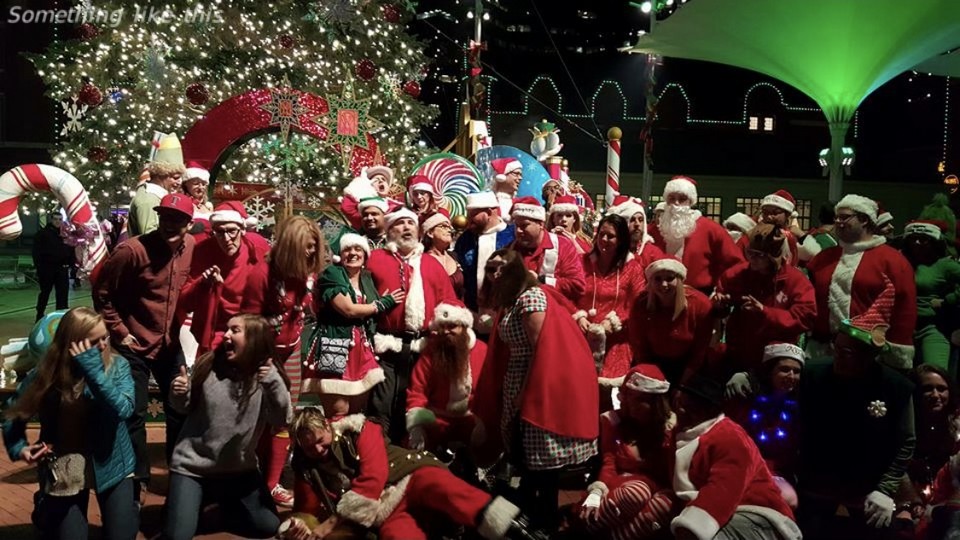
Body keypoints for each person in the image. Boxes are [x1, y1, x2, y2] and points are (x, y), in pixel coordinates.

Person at [473, 248, 598, 531]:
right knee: (527, 459)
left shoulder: (530, 297)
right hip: (517, 378)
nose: (495, 274)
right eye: (491, 269)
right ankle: (531, 517)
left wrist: (524, 393)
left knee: (541, 462)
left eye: (501, 268)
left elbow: (543, 348)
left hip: (537, 382)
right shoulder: (511, 300)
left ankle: (544, 521)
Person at [283, 408, 546, 540]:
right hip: (384, 512)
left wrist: (331, 523)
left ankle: (516, 528)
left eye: (321, 440)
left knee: (442, 485)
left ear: (329, 427)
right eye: (309, 447)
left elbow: (373, 477)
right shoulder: (307, 469)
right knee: (397, 535)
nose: (317, 449)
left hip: (411, 477)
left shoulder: (358, 429)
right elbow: (306, 509)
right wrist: (301, 527)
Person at [2, 307, 138, 540]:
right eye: (94, 341)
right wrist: (19, 447)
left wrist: (94, 371)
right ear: (72, 344)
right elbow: (14, 412)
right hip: (66, 463)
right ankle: (46, 506)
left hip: (112, 461)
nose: (103, 345)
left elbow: (124, 409)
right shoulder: (46, 373)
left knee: (122, 534)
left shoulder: (117, 366)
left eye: (104, 337)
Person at [94, 193, 195, 502]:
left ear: (189, 224)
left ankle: (180, 477)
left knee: (179, 407)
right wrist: (120, 331)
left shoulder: (191, 248)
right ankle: (138, 481)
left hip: (169, 343)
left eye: (177, 219)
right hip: (133, 343)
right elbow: (102, 293)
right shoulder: (131, 251)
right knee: (133, 413)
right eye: (165, 216)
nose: (169, 224)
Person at [798, 280, 916, 539]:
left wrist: (886, 488)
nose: (838, 357)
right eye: (837, 349)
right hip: (817, 482)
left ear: (868, 356)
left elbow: (906, 440)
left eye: (848, 353)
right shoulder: (813, 374)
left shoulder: (895, 387)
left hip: (868, 485)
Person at [163, 314, 292, 540]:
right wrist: (179, 393)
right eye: (227, 329)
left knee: (268, 525)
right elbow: (183, 407)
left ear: (254, 339)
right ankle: (193, 503)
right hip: (194, 468)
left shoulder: (266, 376)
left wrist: (274, 383)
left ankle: (220, 506)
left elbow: (281, 420)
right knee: (178, 535)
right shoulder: (209, 366)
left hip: (239, 470)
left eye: (235, 330)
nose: (226, 335)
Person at [365, 207, 458, 443]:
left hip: (423, 347)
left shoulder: (431, 264)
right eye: (399, 223)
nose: (406, 227)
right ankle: (380, 457)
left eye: (410, 223)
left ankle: (413, 458)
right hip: (384, 347)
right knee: (381, 406)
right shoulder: (375, 260)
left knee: (415, 403)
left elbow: (449, 301)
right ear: (389, 229)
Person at [671, 374, 801, 540]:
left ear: (709, 410)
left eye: (690, 405)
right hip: (721, 512)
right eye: (680, 403)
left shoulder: (729, 436)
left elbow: (723, 489)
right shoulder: (682, 433)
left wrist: (691, 528)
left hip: (758, 513)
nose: (681, 409)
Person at [259, 215, 327, 508]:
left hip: (291, 350)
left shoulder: (305, 273)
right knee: (258, 417)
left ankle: (272, 483)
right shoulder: (263, 273)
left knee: (285, 415)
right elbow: (249, 317)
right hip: (262, 353)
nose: (311, 252)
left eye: (314, 247)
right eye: (306, 246)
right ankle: (255, 478)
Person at [807, 194, 917, 369]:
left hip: (870, 355)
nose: (837, 222)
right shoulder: (823, 259)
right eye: (836, 217)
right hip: (822, 352)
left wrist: (896, 353)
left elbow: (904, 311)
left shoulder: (893, 261)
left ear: (864, 219)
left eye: (844, 217)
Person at [575, 364, 677, 539]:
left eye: (640, 400)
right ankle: (584, 528)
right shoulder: (613, 421)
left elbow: (669, 474)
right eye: (629, 397)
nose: (631, 405)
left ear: (655, 403)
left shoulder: (669, 428)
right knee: (637, 491)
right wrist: (597, 491)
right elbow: (610, 462)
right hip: (621, 487)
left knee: (667, 502)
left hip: (655, 489)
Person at [301, 233, 400, 407]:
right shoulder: (332, 273)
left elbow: (372, 312)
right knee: (338, 413)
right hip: (336, 346)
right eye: (347, 249)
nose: (353, 253)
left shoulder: (367, 280)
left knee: (357, 414)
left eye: (358, 249)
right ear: (340, 254)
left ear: (365, 255)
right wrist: (382, 303)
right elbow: (349, 309)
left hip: (362, 350)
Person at [714, 224, 816, 376]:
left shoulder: (796, 281)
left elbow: (805, 317)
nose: (752, 259)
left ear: (773, 257)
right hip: (738, 355)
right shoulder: (738, 274)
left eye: (759, 255)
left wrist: (765, 311)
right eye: (750, 253)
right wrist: (720, 303)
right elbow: (721, 299)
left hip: (776, 361)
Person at [178, 202, 271, 355]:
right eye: (220, 232)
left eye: (232, 231)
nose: (226, 238)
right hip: (215, 330)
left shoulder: (258, 249)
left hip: (250, 329)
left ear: (242, 230)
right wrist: (204, 283)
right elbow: (185, 300)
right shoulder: (203, 251)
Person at [575, 214, 647, 405]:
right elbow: (569, 293)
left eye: (611, 236)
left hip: (616, 342)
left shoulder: (632, 267)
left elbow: (638, 304)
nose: (604, 240)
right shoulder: (581, 262)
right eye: (601, 234)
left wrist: (615, 322)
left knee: (607, 397)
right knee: (579, 393)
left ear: (621, 239)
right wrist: (579, 316)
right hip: (580, 336)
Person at [725, 343, 805, 509]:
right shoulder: (746, 396)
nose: (791, 376)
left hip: (780, 471)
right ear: (770, 371)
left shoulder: (797, 403)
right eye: (784, 369)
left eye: (796, 372)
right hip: (745, 466)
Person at [406, 302, 486, 453]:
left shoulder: (482, 351)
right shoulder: (431, 352)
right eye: (443, 327)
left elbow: (489, 392)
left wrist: (483, 422)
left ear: (464, 326)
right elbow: (417, 390)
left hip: (471, 419)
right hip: (437, 418)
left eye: (452, 326)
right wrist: (416, 427)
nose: (446, 331)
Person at [650, 176, 744, 293]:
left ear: (691, 201)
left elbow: (737, 264)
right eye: (671, 198)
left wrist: (721, 288)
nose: (676, 203)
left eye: (682, 198)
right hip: (659, 297)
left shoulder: (711, 229)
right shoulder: (655, 229)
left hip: (699, 296)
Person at [628, 257, 714, 384]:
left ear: (679, 280)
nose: (664, 285)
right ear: (650, 281)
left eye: (669, 278)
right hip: (652, 364)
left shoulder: (700, 304)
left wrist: (683, 386)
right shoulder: (641, 304)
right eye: (658, 279)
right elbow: (640, 347)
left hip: (689, 368)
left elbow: (699, 351)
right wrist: (651, 379)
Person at [898, 364, 959, 524]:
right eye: (927, 389)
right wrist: (913, 501)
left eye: (941, 388)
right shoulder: (902, 423)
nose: (935, 395)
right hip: (906, 492)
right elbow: (897, 467)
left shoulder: (957, 423)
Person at [900, 220, 960, 371]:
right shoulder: (899, 261)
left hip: (931, 328)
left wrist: (948, 300)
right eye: (913, 238)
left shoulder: (943, 265)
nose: (917, 242)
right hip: (901, 328)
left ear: (934, 241)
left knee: (936, 374)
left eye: (923, 239)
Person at [453, 191, 516, 327]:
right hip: (472, 313)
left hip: (505, 314)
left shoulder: (512, 236)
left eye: (473, 214)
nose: (468, 220)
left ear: (489, 212)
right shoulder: (465, 239)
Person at [509, 197, 586, 301]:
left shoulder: (563, 246)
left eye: (524, 225)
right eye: (516, 226)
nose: (518, 231)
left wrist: (541, 280)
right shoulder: (511, 249)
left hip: (556, 312)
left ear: (540, 224)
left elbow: (578, 286)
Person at [128, 132, 184, 237]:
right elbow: (151, 238)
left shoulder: (155, 196)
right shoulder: (148, 200)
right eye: (175, 178)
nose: (180, 182)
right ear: (161, 174)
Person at [738, 190, 802, 266]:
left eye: (775, 213)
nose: (769, 217)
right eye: (765, 212)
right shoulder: (750, 237)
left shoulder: (790, 237)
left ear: (787, 214)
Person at [32, 211, 74, 322]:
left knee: (62, 293)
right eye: (55, 219)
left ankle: (61, 315)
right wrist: (39, 267)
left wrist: (70, 263)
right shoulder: (42, 234)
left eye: (60, 219)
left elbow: (70, 249)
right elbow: (36, 251)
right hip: (47, 269)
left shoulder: (65, 234)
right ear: (51, 219)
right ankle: (40, 313)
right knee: (45, 292)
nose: (58, 222)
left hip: (62, 268)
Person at [607, 194, 665, 267]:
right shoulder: (611, 251)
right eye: (632, 220)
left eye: (641, 220)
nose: (637, 224)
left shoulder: (653, 253)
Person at [421, 208, 464, 299]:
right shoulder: (422, 260)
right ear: (430, 233)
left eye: (449, 227)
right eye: (444, 226)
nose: (449, 230)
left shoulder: (454, 256)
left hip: (458, 310)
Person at [181, 162, 212, 226]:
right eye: (196, 184)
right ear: (185, 185)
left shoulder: (209, 206)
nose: (200, 187)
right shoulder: (182, 203)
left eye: (203, 184)